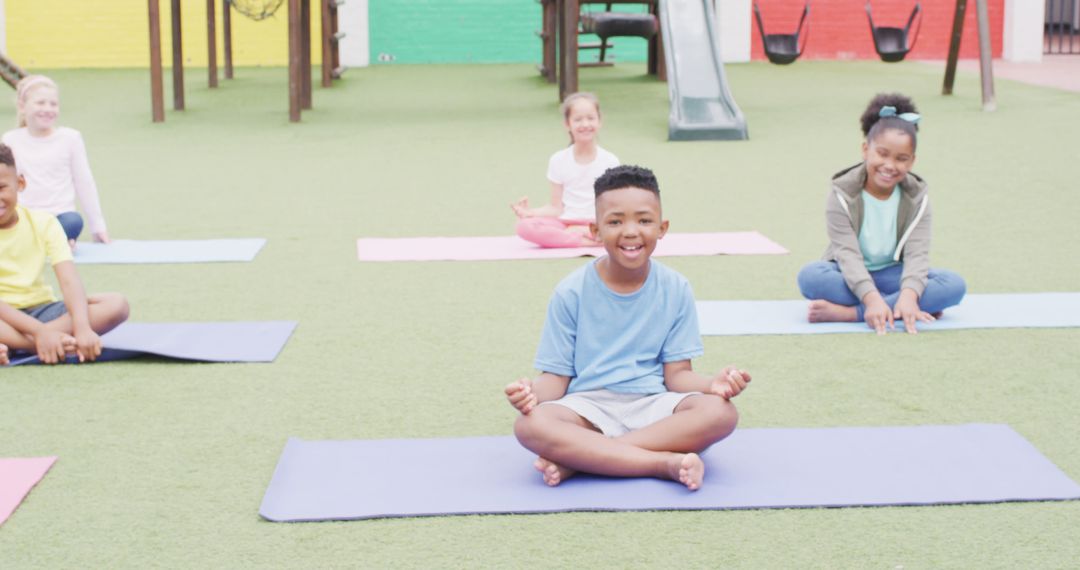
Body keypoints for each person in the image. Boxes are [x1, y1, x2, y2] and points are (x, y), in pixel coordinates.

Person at [504, 165, 750, 490]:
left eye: (644, 221)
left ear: (662, 228)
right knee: (531, 426)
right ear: (594, 230)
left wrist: (711, 384)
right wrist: (530, 395)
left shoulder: (676, 288)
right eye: (616, 221)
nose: (631, 231)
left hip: (652, 405)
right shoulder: (570, 291)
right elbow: (556, 379)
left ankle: (582, 461)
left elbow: (677, 376)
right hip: (587, 408)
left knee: (720, 413)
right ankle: (662, 463)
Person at [797, 93, 966, 335]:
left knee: (953, 285)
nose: (889, 165)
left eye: (901, 159)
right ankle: (898, 305)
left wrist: (909, 294)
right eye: (882, 154)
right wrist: (871, 298)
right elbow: (846, 253)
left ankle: (851, 313)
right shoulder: (842, 192)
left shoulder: (918, 197)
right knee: (810, 277)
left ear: (912, 161)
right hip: (847, 274)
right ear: (866, 149)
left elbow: (918, 256)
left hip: (893, 275)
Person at [0, 143, 128, 364]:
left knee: (117, 304)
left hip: (42, 310)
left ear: (20, 183)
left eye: (1, 187)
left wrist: (82, 327)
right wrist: (40, 334)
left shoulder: (44, 222)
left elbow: (69, 280)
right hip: (4, 318)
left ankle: (17, 344)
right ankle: (38, 343)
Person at [2, 75, 110, 248]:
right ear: (22, 106)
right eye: (40, 103)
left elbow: (84, 183)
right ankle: (53, 242)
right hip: (23, 216)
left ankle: (49, 240)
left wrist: (98, 227)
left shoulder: (70, 138)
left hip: (60, 217)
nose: (48, 109)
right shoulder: (11, 140)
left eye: (53, 104)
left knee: (73, 221)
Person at [511, 92, 619, 248]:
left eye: (590, 118)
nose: (585, 124)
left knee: (619, 227)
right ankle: (584, 241)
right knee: (523, 226)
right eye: (578, 119)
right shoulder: (558, 160)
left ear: (599, 121)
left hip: (599, 223)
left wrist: (595, 226)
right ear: (567, 124)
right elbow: (556, 208)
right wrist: (530, 213)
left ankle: (586, 234)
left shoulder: (610, 161)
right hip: (566, 223)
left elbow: (614, 206)